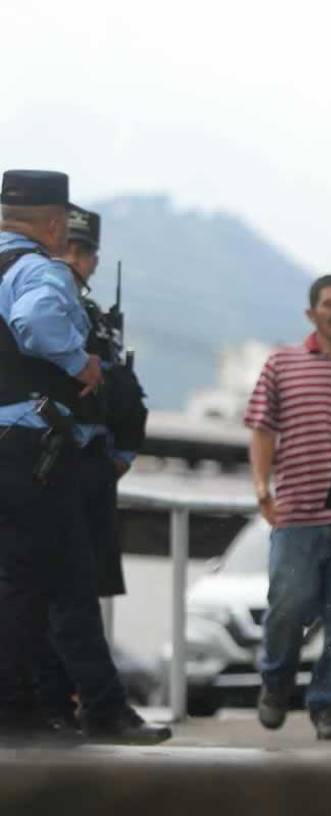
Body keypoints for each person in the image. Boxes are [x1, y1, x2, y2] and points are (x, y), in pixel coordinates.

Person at [0, 169, 168, 745]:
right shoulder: (40, 270)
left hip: (15, 455)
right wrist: (80, 363)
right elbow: (35, 322)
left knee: (19, 584)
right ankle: (102, 709)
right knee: (69, 580)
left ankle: (19, 707)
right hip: (32, 451)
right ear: (53, 223)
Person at [243, 274, 331, 741]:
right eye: (330, 303)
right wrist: (262, 489)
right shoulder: (283, 362)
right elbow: (261, 428)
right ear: (312, 313)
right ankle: (276, 683)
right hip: (296, 512)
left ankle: (329, 708)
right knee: (286, 608)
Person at [36, 204, 150, 734]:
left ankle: (64, 703)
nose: (76, 260)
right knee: (62, 591)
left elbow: (125, 393)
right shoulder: (46, 304)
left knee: (78, 587)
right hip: (55, 461)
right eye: (70, 250)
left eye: (84, 253)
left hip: (93, 466)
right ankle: (76, 703)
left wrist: (122, 454)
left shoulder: (96, 316)